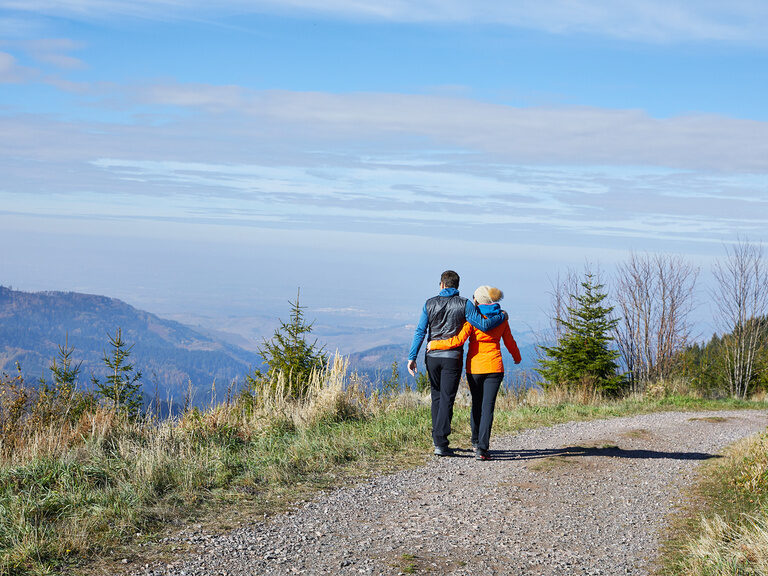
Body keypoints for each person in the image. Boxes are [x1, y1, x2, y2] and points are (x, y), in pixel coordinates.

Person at [408, 271, 508, 457]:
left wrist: (412, 357)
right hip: (452, 357)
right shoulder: (464, 304)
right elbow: (484, 326)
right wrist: (503, 316)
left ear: (441, 284)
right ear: (457, 285)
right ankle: (441, 442)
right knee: (447, 398)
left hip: (432, 356)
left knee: (436, 396)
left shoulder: (429, 303)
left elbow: (420, 330)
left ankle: (438, 440)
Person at [427, 285, 521, 461]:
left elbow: (457, 340)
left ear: (477, 300)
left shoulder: (473, 319)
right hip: (495, 367)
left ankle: (476, 440)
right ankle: (482, 449)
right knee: (488, 408)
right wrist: (517, 357)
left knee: (476, 404)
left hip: (475, 368)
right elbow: (509, 341)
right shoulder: (502, 318)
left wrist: (435, 344)